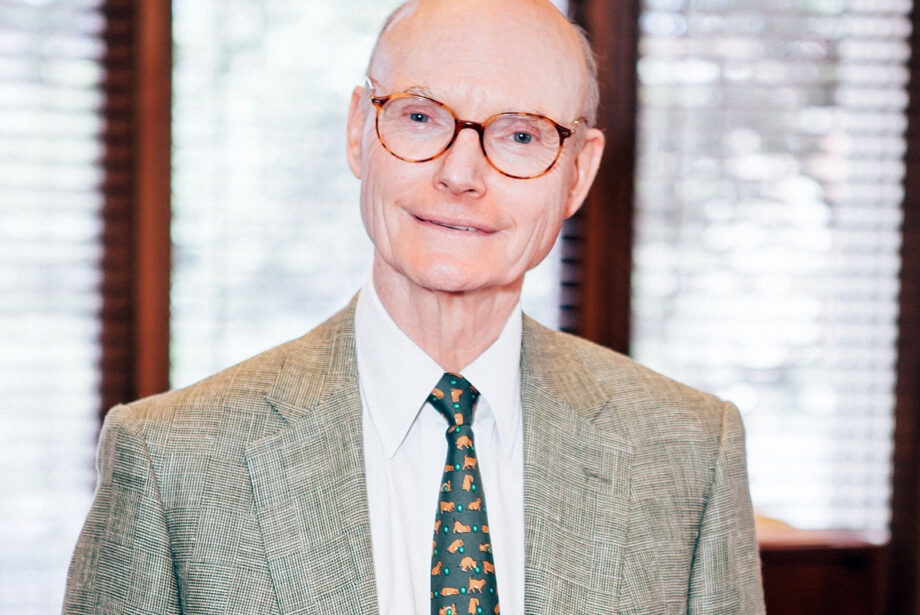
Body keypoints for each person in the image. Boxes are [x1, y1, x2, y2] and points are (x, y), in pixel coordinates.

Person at [64, 0, 765, 613]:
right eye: (422, 117)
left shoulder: (690, 453)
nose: (460, 174)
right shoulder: (170, 460)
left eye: (521, 135)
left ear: (578, 173)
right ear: (358, 132)